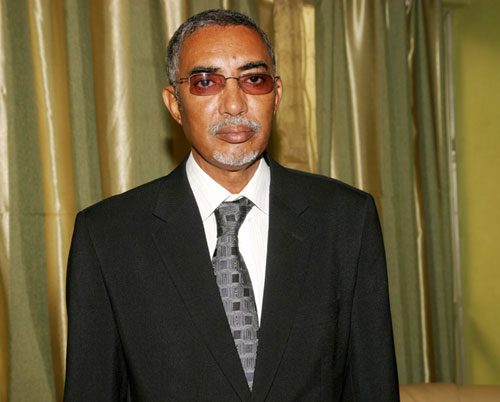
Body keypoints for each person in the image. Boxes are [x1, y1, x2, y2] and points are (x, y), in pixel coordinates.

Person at [63, 9, 399, 402]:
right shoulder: (108, 237)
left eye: (254, 79)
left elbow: (373, 383)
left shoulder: (345, 219)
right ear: (174, 103)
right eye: (206, 82)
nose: (235, 105)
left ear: (276, 95)